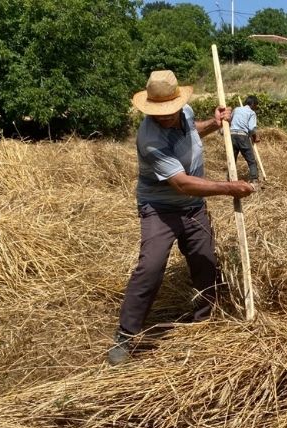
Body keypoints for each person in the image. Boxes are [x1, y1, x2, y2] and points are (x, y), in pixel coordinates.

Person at [108, 70, 256, 365]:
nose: (165, 116)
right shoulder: (149, 138)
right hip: (160, 208)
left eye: (169, 110)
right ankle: (127, 334)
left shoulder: (184, 111)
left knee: (205, 262)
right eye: (159, 112)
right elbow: (182, 183)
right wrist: (230, 188)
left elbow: (192, 131)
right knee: (150, 266)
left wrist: (214, 124)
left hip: (193, 207)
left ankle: (204, 319)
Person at [230, 95, 261, 189]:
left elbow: (230, 121)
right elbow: (251, 128)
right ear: (253, 104)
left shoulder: (236, 109)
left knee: (232, 159)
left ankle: (230, 179)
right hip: (242, 136)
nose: (256, 108)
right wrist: (255, 137)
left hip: (232, 135)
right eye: (256, 105)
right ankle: (254, 180)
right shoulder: (251, 113)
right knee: (251, 160)